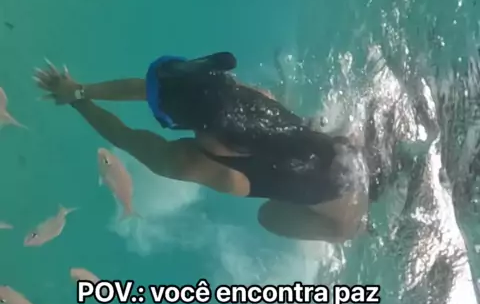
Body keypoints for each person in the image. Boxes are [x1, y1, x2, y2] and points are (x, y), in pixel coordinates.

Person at [34, 52, 370, 244]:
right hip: (351, 158)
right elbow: (151, 90)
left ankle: (347, 232)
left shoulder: (208, 169)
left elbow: (124, 136)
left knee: (269, 216)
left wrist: (78, 102)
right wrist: (80, 90)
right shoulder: (234, 94)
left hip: (346, 211)